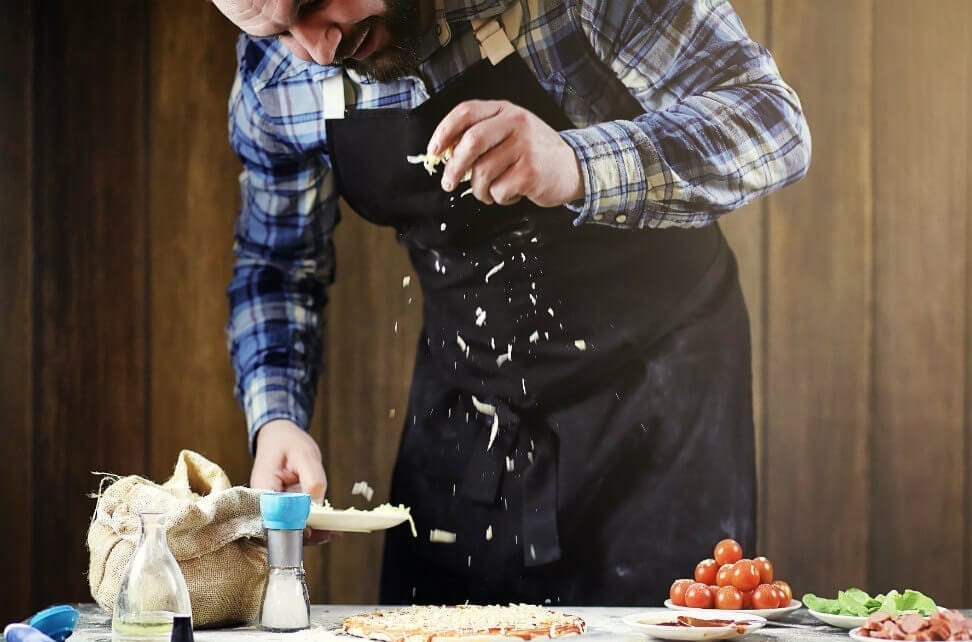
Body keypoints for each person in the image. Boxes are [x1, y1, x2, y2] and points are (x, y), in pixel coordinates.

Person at [214, 0, 810, 606]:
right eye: (281, 31)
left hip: (660, 403)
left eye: (314, 4)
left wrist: (577, 163)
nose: (317, 49)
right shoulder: (274, 75)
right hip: (466, 417)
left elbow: (771, 122)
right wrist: (277, 419)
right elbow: (276, 263)